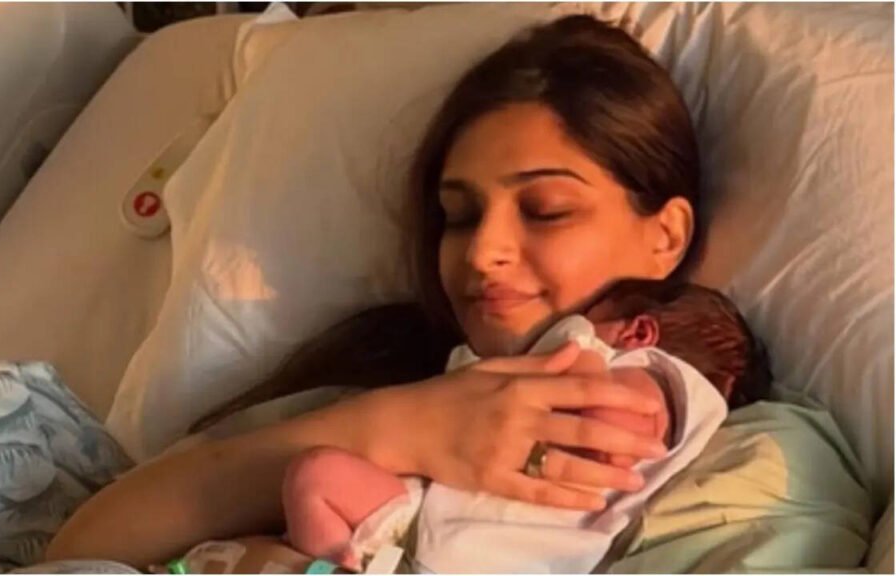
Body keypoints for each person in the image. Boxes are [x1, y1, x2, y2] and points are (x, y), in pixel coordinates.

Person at [46, 14, 711, 569]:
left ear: (666, 235)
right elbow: (82, 549)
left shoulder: (711, 440)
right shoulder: (368, 383)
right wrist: (400, 428)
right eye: (459, 216)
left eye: (545, 210)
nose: (483, 251)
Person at [280, 280, 772, 573]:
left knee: (312, 478)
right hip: (429, 513)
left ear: (638, 331)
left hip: (501, 560)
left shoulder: (662, 384)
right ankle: (334, 561)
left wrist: (578, 347)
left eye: (588, 318)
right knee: (313, 476)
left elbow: (613, 441)